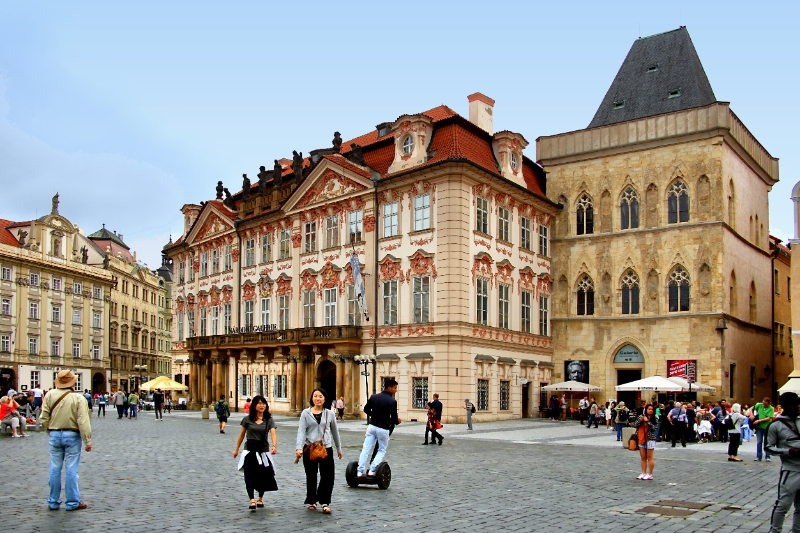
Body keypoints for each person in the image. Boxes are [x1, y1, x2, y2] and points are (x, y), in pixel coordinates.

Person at [40, 370, 92, 511]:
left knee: (55, 468)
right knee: (71, 469)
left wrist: (50, 431)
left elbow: (43, 417)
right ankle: (72, 502)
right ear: (72, 382)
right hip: (72, 435)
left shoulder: (49, 395)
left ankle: (53, 501)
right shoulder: (78, 398)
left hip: (55, 435)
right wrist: (87, 440)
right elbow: (83, 421)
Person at [295, 389, 342, 515]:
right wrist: (298, 448)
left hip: (325, 448)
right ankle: (312, 500)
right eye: (315, 396)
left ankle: (325, 502)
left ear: (324, 399)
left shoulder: (329, 414)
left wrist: (338, 448)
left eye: (320, 396)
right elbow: (301, 431)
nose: (318, 398)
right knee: (311, 475)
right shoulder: (305, 413)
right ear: (312, 398)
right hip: (309, 448)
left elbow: (335, 432)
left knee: (327, 476)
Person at [233, 395, 278, 511]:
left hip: (263, 451)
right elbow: (241, 435)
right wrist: (236, 449)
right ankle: (251, 499)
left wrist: (274, 446)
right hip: (249, 451)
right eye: (259, 403)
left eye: (263, 403)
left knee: (263, 476)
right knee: (249, 475)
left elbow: (273, 433)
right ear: (254, 405)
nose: (262, 405)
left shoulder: (269, 420)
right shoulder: (247, 419)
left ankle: (260, 498)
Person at [765, 392, 800, 532]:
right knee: (783, 505)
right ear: (784, 406)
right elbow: (768, 448)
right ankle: (775, 530)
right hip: (790, 469)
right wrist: (787, 451)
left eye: (798, 404)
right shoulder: (775, 425)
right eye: (794, 404)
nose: (797, 406)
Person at [357, 379, 401, 478]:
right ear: (389, 387)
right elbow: (394, 419)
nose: (396, 390)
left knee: (366, 448)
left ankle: (359, 471)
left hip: (372, 427)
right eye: (395, 388)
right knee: (381, 450)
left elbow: (366, 409)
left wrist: (375, 415)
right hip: (383, 428)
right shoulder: (392, 401)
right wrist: (397, 421)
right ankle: (372, 470)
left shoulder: (374, 397)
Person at [633, 404, 657, 480]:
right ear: (646, 410)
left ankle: (650, 474)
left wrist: (648, 421)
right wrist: (640, 420)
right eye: (649, 409)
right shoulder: (641, 416)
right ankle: (643, 473)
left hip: (650, 439)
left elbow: (654, 428)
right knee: (643, 457)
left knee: (650, 457)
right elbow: (635, 425)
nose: (650, 410)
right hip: (641, 438)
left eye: (652, 409)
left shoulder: (655, 417)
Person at [753, 397, 775, 461]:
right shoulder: (760, 405)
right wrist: (751, 415)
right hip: (759, 427)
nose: (763, 404)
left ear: (768, 403)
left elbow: (768, 418)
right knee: (759, 442)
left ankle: (767, 456)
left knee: (767, 442)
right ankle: (758, 456)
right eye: (763, 402)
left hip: (767, 427)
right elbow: (752, 408)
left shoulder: (771, 408)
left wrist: (759, 421)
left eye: (765, 403)